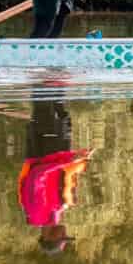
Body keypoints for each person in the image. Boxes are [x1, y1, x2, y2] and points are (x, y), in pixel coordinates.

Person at [19, 93, 90, 253]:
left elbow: (37, 175)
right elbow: (61, 176)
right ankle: (56, 81)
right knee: (59, 102)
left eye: (62, 237)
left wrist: (68, 160)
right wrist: (78, 158)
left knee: (44, 98)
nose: (65, 233)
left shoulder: (37, 212)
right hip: (57, 150)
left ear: (48, 237)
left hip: (43, 148)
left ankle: (43, 80)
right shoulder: (57, 210)